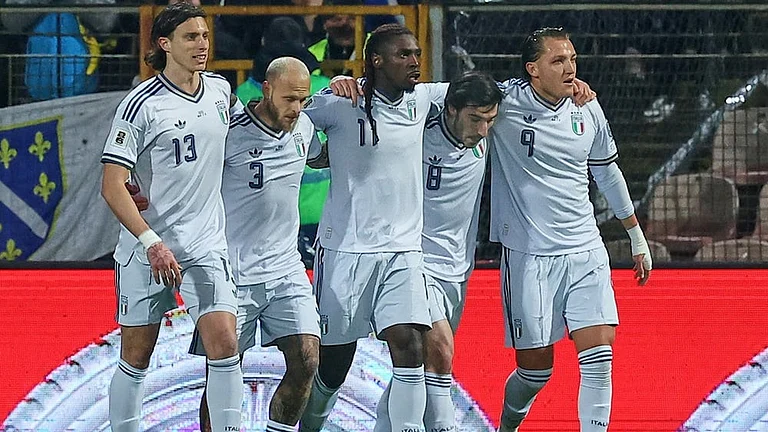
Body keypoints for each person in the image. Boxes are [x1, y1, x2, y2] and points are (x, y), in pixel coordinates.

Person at [489, 27, 652, 432]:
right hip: (528, 254)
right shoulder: (504, 102)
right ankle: (507, 425)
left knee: (599, 357)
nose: (569, 69)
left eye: (572, 60)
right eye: (557, 61)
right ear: (533, 70)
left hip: (585, 250)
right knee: (535, 375)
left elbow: (607, 171)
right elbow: (444, 97)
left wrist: (635, 235)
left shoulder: (587, 108)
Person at [297, 23, 449, 432]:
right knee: (333, 366)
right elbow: (294, 122)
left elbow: (479, 91)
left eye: (416, 53)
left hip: (402, 250)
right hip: (345, 251)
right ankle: (312, 424)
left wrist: (567, 86)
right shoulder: (339, 102)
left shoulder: (424, 99)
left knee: (411, 343)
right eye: (403, 55)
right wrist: (328, 93)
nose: (415, 61)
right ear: (377, 61)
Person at [99, 4, 242, 432]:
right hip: (148, 251)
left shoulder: (220, 91)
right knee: (136, 358)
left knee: (225, 343)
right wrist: (151, 243)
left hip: (205, 247)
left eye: (204, 36)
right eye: (190, 37)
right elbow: (112, 185)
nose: (202, 45)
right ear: (165, 44)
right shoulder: (141, 104)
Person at [187, 57, 322, 432]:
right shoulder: (229, 132)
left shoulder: (305, 127)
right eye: (289, 99)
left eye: (303, 100)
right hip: (232, 271)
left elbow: (321, 156)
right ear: (265, 89)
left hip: (285, 267)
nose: (296, 109)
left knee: (307, 357)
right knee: (225, 371)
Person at [372, 71, 502, 432]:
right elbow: (392, 93)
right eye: (475, 119)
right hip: (411, 260)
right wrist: (349, 84)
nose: (483, 130)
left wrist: (574, 89)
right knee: (441, 350)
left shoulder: (484, 126)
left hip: (457, 268)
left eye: (490, 121)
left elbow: (530, 95)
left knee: (419, 369)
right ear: (450, 110)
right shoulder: (418, 127)